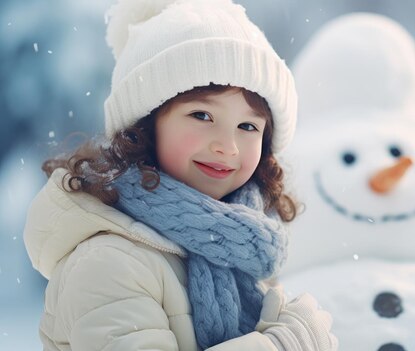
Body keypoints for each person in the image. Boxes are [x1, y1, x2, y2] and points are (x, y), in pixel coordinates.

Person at [23, 0, 338, 350]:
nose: (228, 146)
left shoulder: (242, 252)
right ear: (144, 127)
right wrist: (283, 345)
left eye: (248, 126)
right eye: (202, 115)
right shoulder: (109, 261)